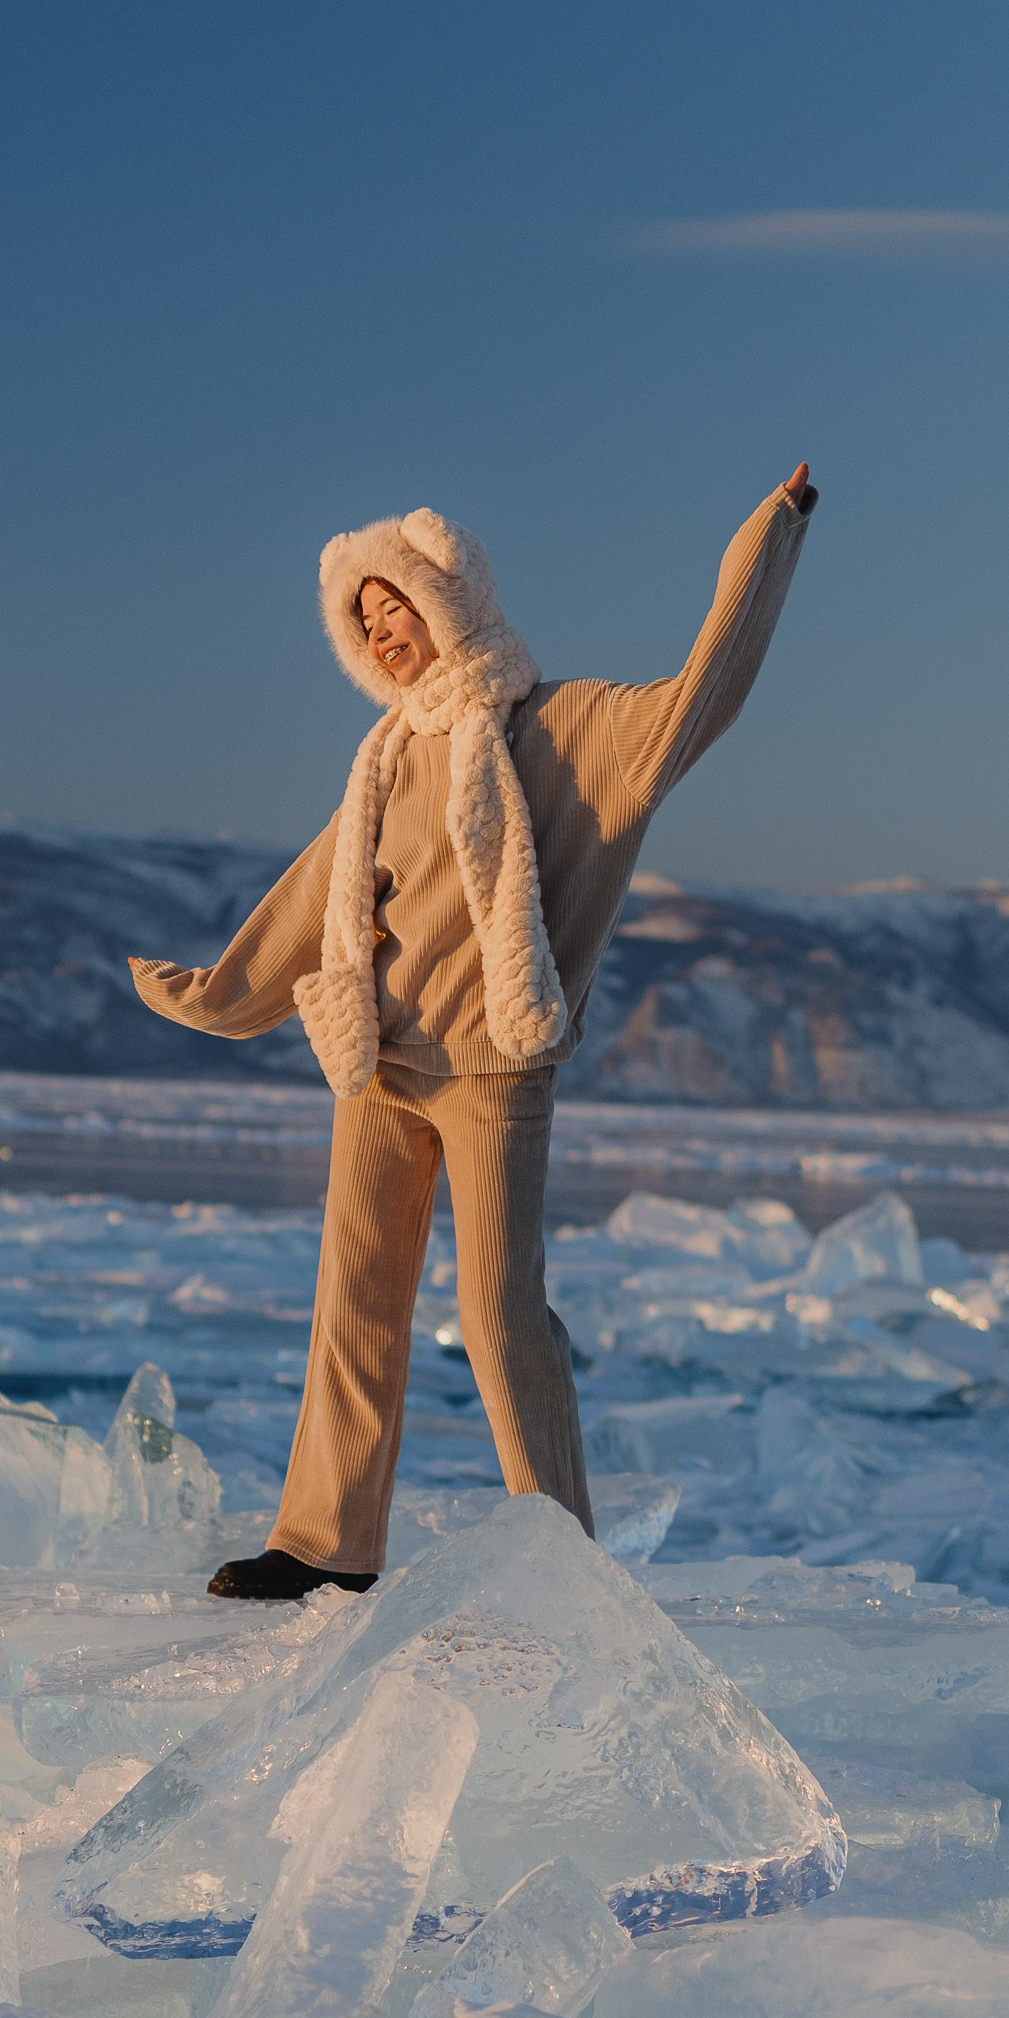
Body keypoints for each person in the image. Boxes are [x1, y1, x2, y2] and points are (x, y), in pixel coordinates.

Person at [130, 464, 819, 1598]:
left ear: (452, 602)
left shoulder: (569, 732)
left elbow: (706, 689)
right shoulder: (385, 761)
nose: (382, 630)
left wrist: (770, 534)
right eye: (364, 620)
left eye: (395, 604)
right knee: (352, 1303)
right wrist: (216, 996)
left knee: (498, 1324)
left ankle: (559, 1568)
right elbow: (314, 902)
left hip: (493, 1074)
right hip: (378, 1067)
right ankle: (323, 1547)